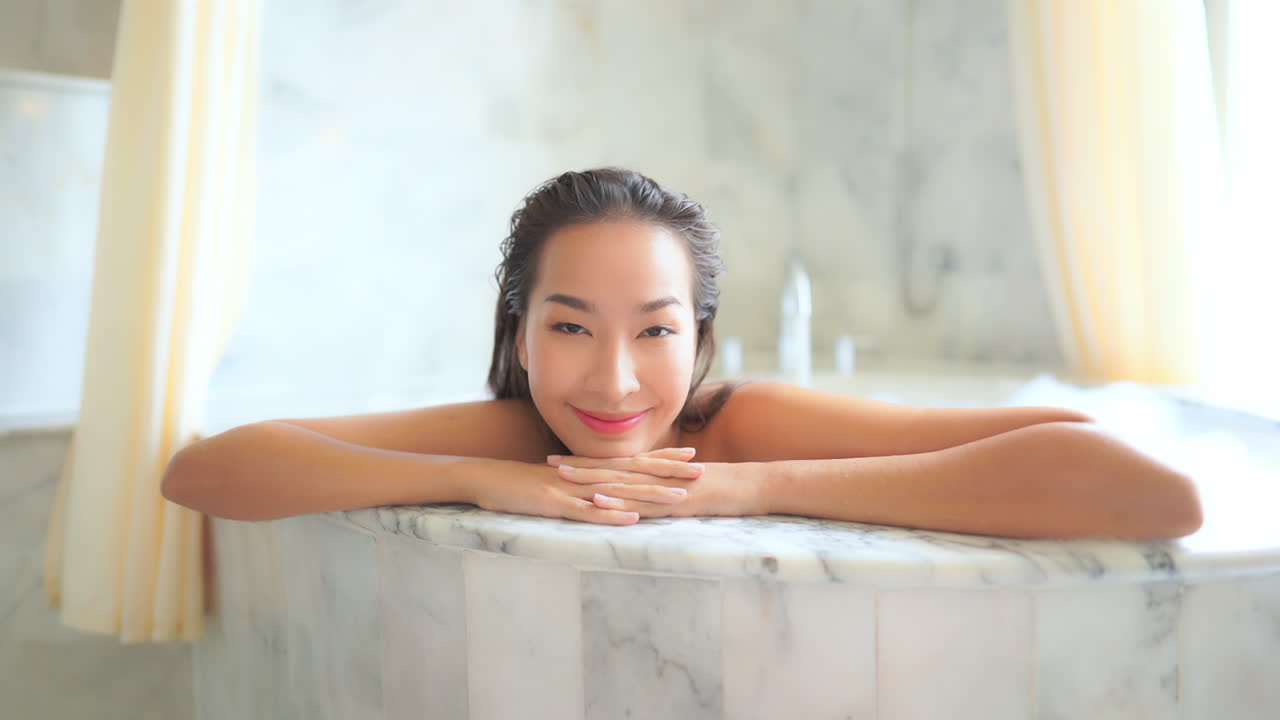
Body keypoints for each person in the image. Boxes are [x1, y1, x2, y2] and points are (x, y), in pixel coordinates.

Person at [161, 167, 1204, 540]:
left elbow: (1150, 490)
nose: (612, 383)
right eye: (568, 327)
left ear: (698, 339)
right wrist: (477, 478)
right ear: (516, 331)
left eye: (654, 331)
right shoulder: (517, 432)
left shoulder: (737, 422)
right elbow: (203, 470)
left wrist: (745, 487)